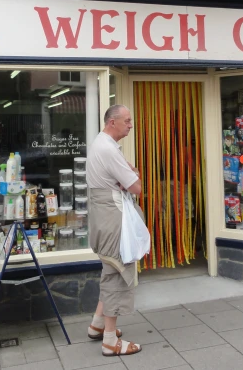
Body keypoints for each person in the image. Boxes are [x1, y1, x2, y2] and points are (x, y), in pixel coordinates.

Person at [86, 104, 143, 357]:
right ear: (112, 122)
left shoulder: (100, 144)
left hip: (103, 215)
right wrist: (133, 174)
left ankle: (97, 325)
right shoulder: (109, 149)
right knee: (117, 273)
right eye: (127, 120)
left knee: (109, 269)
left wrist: (127, 175)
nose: (131, 124)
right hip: (113, 218)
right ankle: (110, 341)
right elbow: (136, 187)